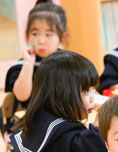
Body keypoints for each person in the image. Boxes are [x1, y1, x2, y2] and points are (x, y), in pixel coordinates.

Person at [9, 50, 108, 152]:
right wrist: (99, 126)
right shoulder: (62, 134)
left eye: (93, 90)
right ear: (61, 94)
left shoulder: (39, 117)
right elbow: (91, 148)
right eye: (86, 92)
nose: (93, 98)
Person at [0, 0, 68, 135]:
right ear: (27, 35)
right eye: (35, 34)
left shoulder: (67, 63)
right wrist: (28, 64)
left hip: (61, 123)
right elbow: (22, 96)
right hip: (28, 128)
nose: (41, 41)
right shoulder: (23, 65)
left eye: (49, 34)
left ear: (62, 38)